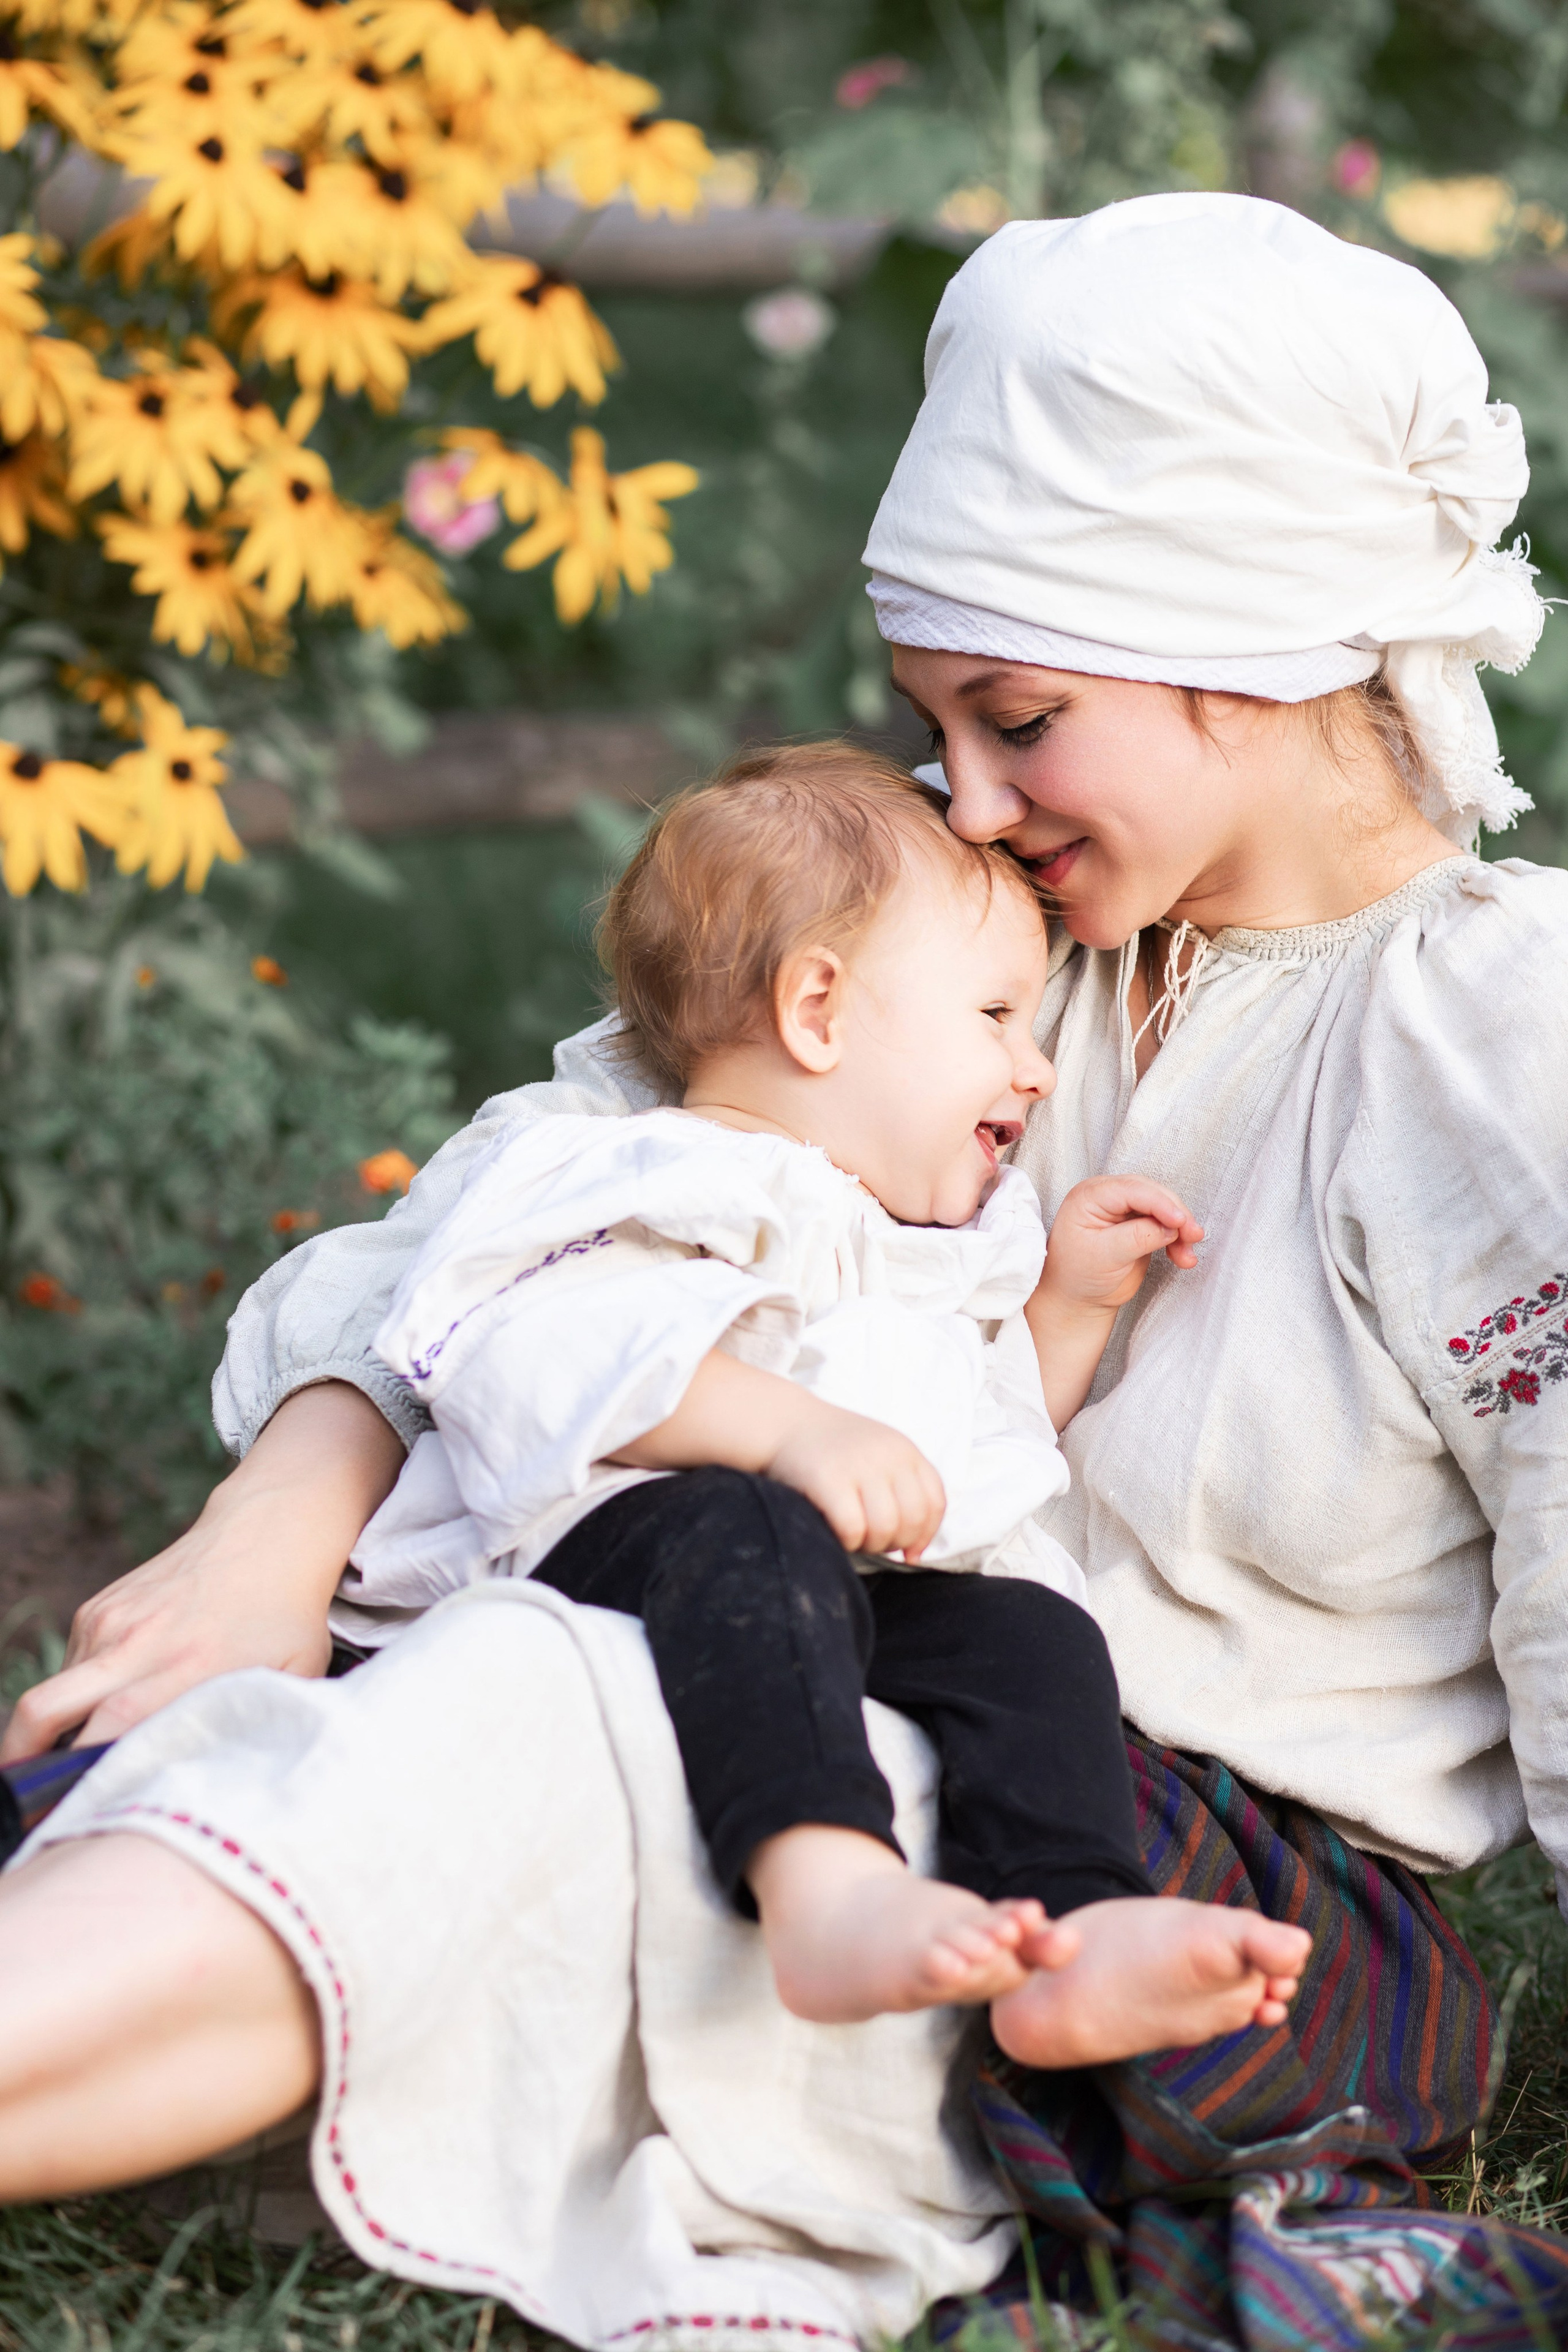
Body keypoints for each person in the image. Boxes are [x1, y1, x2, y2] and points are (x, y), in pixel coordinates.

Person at [3, 191, 1568, 2348]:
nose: (970, 791)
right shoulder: (978, 944)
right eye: (935, 721)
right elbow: (518, 1221)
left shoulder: (1493, 1038)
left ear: (1255, 655)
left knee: (598, 1725)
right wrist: (292, 1508)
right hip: (804, 1674)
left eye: (1020, 714)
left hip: (1176, 1858)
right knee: (516, 1688)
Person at [347, 743, 1310, 2050]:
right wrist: (790, 1431)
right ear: (816, 1011)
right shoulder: (640, 1175)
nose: (1031, 1070)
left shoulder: (916, 1247)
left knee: (1028, 1637)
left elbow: (965, 1445)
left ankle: (1074, 1931)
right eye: (992, 1019)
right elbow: (523, 1352)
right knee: (748, 1527)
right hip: (596, 1560)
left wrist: (1063, 1312)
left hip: (839, 1596)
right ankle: (826, 1891)